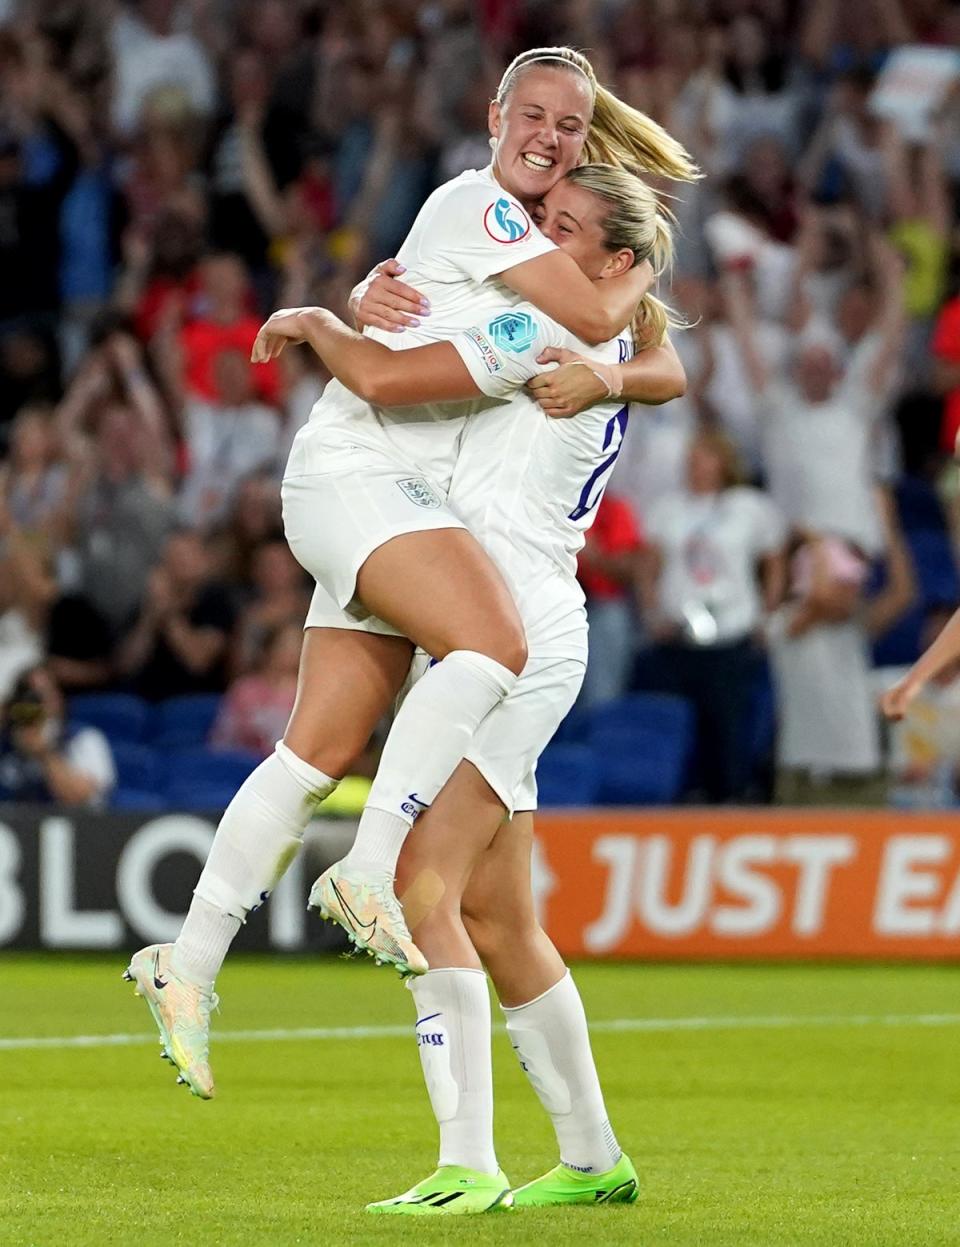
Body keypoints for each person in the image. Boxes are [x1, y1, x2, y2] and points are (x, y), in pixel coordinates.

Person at [123, 45, 693, 1108]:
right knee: (491, 642)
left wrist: (352, 308)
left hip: (399, 508)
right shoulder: (485, 211)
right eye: (534, 116)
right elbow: (405, 363)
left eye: (571, 128)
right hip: (361, 481)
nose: (551, 139)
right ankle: (369, 866)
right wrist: (332, 318)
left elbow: (630, 343)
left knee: (314, 751)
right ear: (493, 115)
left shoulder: (528, 318)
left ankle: (186, 962)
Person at [255, 162, 676, 1214]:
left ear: (614, 264)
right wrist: (373, 294)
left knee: (422, 889)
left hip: (519, 631)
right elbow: (658, 361)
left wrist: (322, 316)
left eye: (568, 228)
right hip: (508, 620)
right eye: (541, 219)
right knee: (498, 912)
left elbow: (404, 378)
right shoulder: (584, 328)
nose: (538, 236)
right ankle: (592, 1157)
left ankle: (467, 1160)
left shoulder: (571, 330)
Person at [638, 428, 787, 802]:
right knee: (674, 727)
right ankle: (678, 797)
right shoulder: (668, 508)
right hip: (678, 635)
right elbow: (648, 566)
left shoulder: (749, 507)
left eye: (704, 457)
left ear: (723, 463)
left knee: (729, 726)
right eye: (691, 459)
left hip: (732, 635)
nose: (695, 466)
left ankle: (730, 798)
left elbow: (774, 561)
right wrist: (652, 613)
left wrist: (768, 614)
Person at [0, 664, 115, 807]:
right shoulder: (6, 741)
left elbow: (78, 798)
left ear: (57, 699)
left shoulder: (83, 739)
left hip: (76, 825)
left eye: (41, 696)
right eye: (27, 695)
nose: (34, 705)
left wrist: (44, 754)